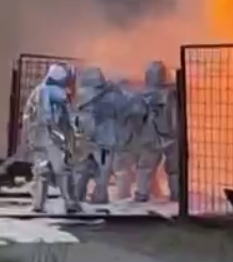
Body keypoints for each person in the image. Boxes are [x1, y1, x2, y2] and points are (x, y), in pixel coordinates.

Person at [22, 63, 81, 214]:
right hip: (53, 138)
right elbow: (50, 116)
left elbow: (29, 116)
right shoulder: (55, 93)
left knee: (41, 171)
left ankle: (38, 204)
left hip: (40, 139)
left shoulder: (39, 90)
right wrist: (64, 135)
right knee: (62, 170)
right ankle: (70, 203)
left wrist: (31, 135)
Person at [71, 66, 124, 205]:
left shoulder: (79, 95)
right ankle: (99, 197)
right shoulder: (111, 95)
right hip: (104, 140)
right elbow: (122, 111)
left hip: (82, 138)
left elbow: (72, 115)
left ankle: (77, 195)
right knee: (103, 171)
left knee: (80, 169)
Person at [132, 60, 180, 203]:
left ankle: (142, 194)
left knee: (145, 167)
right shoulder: (174, 93)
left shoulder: (142, 95)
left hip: (150, 135)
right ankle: (177, 194)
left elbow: (137, 117)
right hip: (174, 135)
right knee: (174, 169)